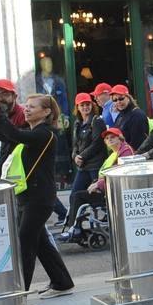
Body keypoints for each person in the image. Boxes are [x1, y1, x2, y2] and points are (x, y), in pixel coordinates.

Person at [0, 94, 75, 298]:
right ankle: (62, 282)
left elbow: (13, 134)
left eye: (31, 107)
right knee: (40, 242)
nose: (26, 109)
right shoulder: (33, 132)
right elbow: (5, 135)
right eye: (25, 106)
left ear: (46, 112)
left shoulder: (45, 134)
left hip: (39, 198)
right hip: (29, 196)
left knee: (25, 242)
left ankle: (19, 292)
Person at [60, 93, 106, 241]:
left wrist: (82, 156)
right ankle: (74, 227)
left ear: (92, 105)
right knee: (74, 194)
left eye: (87, 104)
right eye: (82, 105)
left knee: (96, 197)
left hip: (95, 165)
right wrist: (75, 156)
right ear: (77, 107)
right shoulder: (77, 123)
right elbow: (74, 145)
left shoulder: (96, 121)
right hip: (83, 167)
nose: (85, 107)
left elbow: (97, 142)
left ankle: (99, 222)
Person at [108, 84, 149, 151]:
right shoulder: (120, 115)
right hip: (123, 154)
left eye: (121, 98)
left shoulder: (136, 114)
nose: (118, 102)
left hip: (134, 156)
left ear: (128, 97)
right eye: (115, 100)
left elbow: (138, 143)